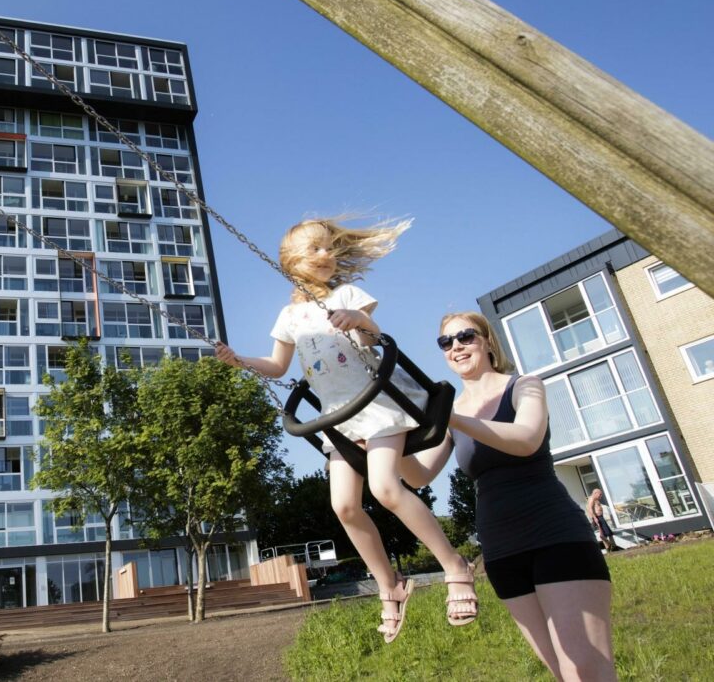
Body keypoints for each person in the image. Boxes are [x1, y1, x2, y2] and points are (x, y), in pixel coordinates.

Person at [216, 218, 476, 643]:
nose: (326, 256)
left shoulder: (347, 295)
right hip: (339, 417)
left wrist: (357, 319)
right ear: (290, 263)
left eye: (329, 249)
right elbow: (277, 366)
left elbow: (374, 336)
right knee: (344, 507)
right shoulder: (289, 316)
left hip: (378, 404)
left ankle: (454, 565)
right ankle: (390, 586)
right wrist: (240, 360)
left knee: (387, 489)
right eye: (314, 250)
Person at [439, 311, 616, 681]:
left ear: (487, 340)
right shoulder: (452, 413)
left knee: (585, 670)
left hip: (555, 536)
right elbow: (415, 473)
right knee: (561, 672)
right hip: (502, 551)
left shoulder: (523, 386)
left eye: (465, 336)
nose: (456, 346)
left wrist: (449, 419)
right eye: (446, 342)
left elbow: (526, 438)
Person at [587, 489, 617, 553]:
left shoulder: (595, 499)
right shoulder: (591, 499)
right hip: (598, 518)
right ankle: (611, 545)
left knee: (606, 533)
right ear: (595, 493)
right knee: (604, 533)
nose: (601, 496)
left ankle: (609, 548)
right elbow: (590, 509)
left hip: (600, 517)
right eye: (600, 494)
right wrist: (595, 518)